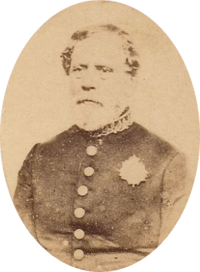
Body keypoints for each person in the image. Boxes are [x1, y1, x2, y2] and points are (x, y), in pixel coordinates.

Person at [14, 24, 188, 271]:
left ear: (130, 81)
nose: (88, 83)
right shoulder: (41, 156)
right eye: (78, 70)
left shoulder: (167, 161)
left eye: (104, 70)